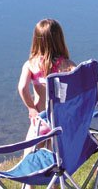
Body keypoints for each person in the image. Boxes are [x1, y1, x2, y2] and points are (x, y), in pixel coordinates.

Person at [17, 19, 76, 148]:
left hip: (40, 119)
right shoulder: (68, 65)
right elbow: (77, 88)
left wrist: (31, 108)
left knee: (30, 154)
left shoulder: (31, 65)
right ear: (60, 40)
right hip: (61, 120)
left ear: (36, 41)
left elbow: (22, 88)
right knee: (54, 155)